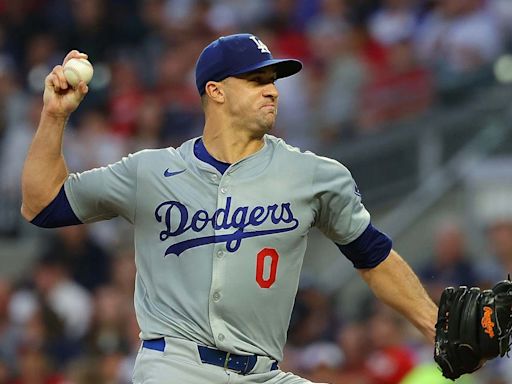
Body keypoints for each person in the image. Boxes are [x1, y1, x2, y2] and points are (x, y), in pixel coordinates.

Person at [21, 33, 437, 384]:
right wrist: (55, 116)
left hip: (264, 373)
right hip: (175, 367)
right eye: (257, 80)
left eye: (272, 80)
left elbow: (373, 255)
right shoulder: (150, 171)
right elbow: (43, 204)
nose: (272, 89)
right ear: (215, 91)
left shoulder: (314, 175)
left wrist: (436, 328)